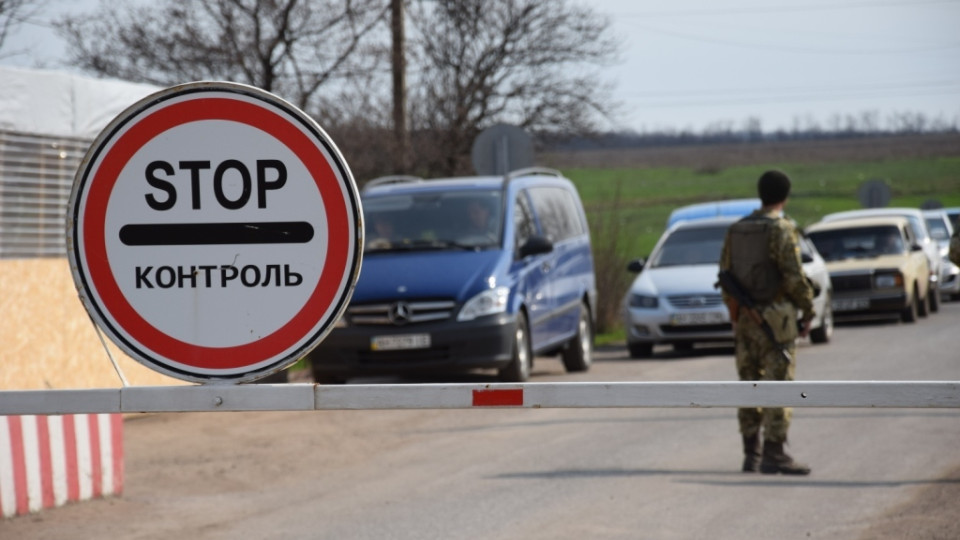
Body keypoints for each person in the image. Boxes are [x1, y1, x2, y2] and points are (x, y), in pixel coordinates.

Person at [719, 170, 816, 475]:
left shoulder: (737, 230)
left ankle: (751, 453)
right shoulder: (782, 229)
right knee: (779, 385)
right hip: (777, 321)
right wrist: (808, 310)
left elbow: (725, 275)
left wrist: (736, 315)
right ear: (784, 197)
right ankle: (774, 453)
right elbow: (793, 276)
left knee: (749, 384)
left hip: (746, 321)